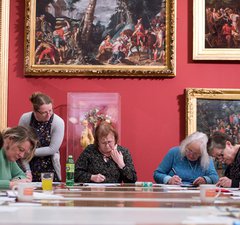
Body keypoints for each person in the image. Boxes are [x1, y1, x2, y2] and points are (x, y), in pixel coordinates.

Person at [18, 92, 65, 182]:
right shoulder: (25, 119)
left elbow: (53, 149)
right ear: (35, 111)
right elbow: (20, 145)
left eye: (50, 110)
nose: (49, 114)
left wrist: (29, 152)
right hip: (26, 164)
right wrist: (27, 171)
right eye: (44, 112)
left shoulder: (58, 122)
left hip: (49, 168)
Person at [153, 132, 219, 185]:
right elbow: (157, 174)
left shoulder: (206, 158)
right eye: (189, 150)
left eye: (196, 154)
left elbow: (215, 177)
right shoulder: (174, 153)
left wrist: (205, 180)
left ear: (202, 154)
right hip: (174, 195)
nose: (191, 155)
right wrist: (169, 180)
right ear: (185, 145)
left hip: (197, 196)